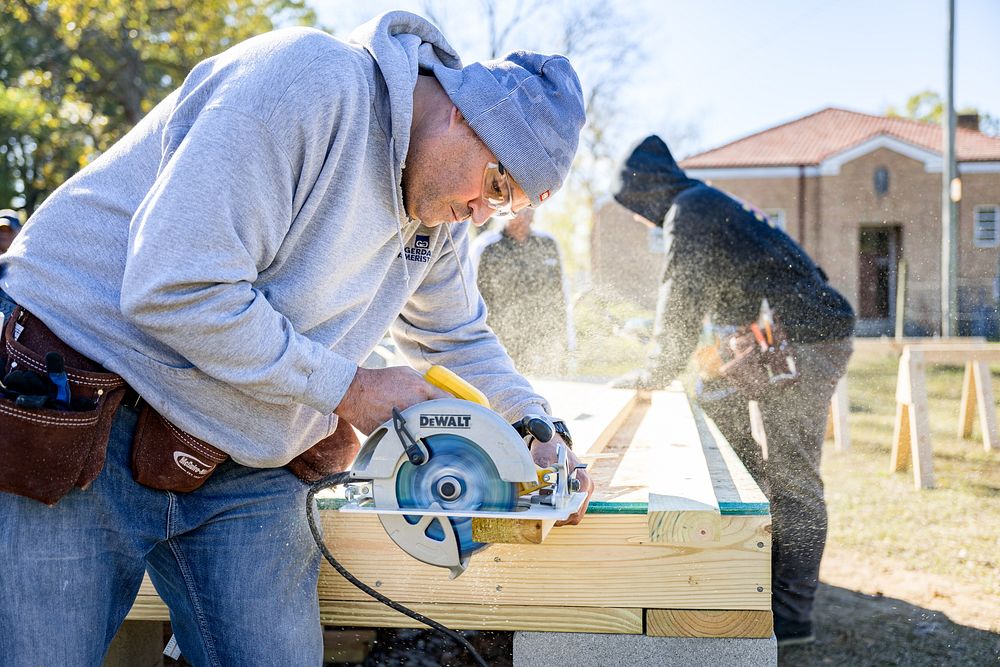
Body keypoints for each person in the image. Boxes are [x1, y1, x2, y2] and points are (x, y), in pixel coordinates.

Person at [0, 11, 593, 665]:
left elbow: (455, 337)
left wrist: (535, 427)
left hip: (243, 457)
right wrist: (350, 386)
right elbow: (177, 288)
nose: (484, 213)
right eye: (496, 184)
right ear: (462, 112)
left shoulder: (438, 212)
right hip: (89, 399)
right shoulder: (305, 85)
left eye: (506, 206)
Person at [613, 135, 855, 647]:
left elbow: (678, 294)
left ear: (646, 190)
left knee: (792, 476)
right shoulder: (706, 204)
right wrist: (704, 376)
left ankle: (791, 617)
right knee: (725, 427)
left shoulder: (689, 209)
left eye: (635, 209)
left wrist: (655, 369)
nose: (640, 220)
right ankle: (751, 572)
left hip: (807, 338)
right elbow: (723, 304)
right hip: (786, 333)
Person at [471, 207, 573, 375]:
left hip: (539, 344)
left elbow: (561, 295)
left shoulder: (548, 244)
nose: (525, 213)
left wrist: (566, 344)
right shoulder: (485, 246)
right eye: (519, 209)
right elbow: (472, 297)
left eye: (530, 209)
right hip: (497, 343)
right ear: (505, 212)